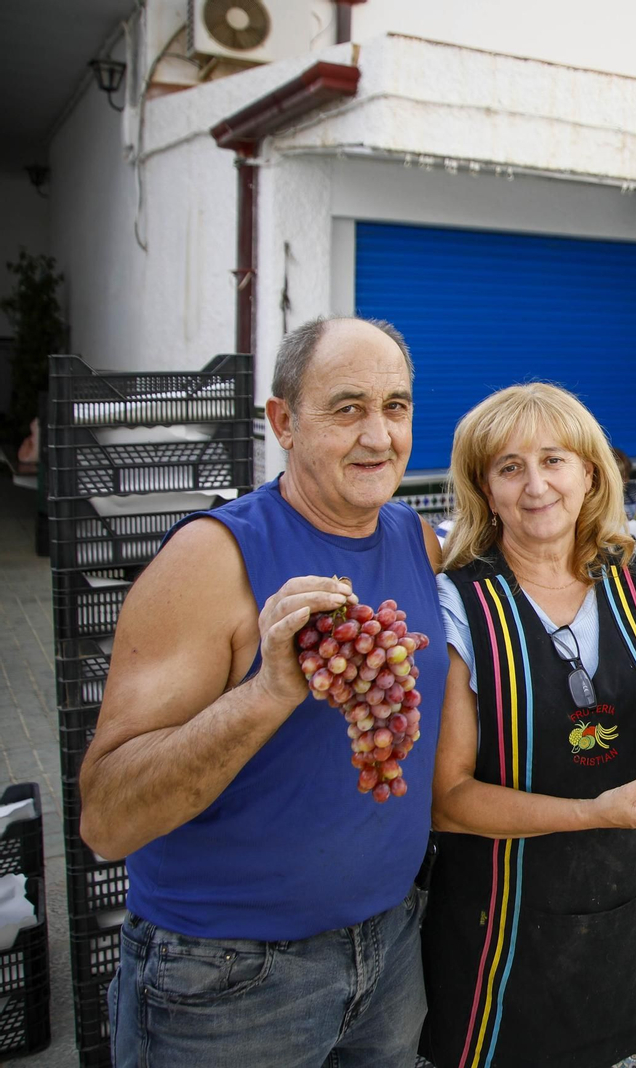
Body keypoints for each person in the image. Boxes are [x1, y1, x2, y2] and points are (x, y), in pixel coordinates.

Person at [82, 317, 446, 1066]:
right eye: (347, 409)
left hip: (392, 952)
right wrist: (268, 692)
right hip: (227, 982)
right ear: (282, 421)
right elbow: (107, 820)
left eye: (397, 406)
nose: (379, 435)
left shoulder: (416, 538)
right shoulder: (210, 561)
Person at [419, 383, 636, 1068]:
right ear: (485, 490)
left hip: (632, 925)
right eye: (509, 467)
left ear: (590, 473)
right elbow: (447, 800)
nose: (536, 484)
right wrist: (591, 811)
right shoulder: (458, 607)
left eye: (554, 460)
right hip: (501, 942)